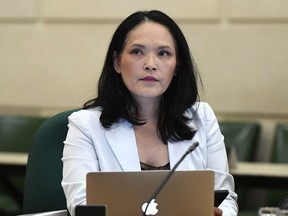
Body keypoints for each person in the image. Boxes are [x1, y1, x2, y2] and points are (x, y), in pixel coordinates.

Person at [62, 10, 238, 216]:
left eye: (163, 53)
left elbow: (225, 198)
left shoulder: (203, 118)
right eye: (137, 52)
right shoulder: (85, 125)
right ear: (117, 62)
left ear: (177, 65)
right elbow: (82, 207)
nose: (150, 64)